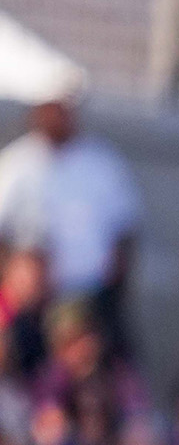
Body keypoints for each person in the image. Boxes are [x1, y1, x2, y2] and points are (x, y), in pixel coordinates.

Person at [0, 73, 142, 358]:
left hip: (90, 299)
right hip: (31, 304)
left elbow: (126, 230)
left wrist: (114, 287)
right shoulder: (16, 165)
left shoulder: (103, 164)